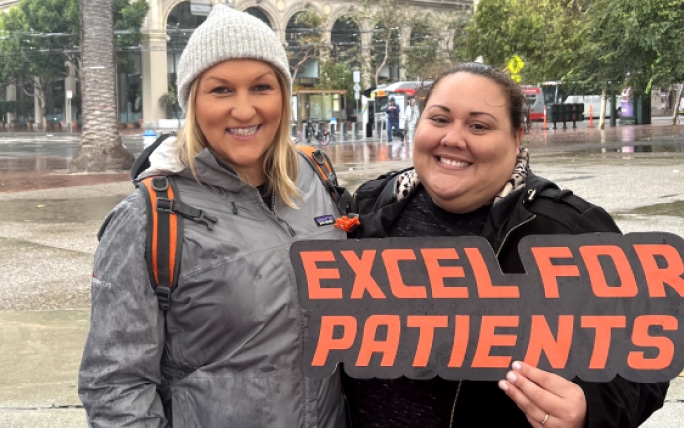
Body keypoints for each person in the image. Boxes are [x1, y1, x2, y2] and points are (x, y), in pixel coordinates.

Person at [342, 62, 669, 427]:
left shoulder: (570, 230)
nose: (452, 138)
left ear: (516, 138)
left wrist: (589, 408)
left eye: (478, 126)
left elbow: (647, 356)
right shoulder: (370, 206)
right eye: (439, 119)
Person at [78, 5, 348, 427]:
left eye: (261, 87)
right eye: (221, 90)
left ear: (284, 94)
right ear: (192, 101)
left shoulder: (317, 178)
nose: (244, 111)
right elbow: (115, 386)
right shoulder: (147, 218)